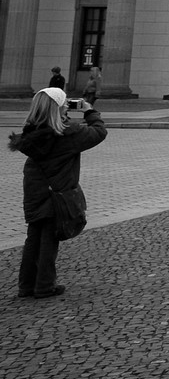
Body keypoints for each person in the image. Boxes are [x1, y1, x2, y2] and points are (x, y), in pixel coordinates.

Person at [9, 88, 107, 298]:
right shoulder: (67, 134)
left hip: (36, 189)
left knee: (34, 236)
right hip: (57, 193)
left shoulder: (32, 132)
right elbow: (99, 132)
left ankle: (26, 285)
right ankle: (44, 285)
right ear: (59, 108)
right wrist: (90, 112)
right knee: (49, 238)